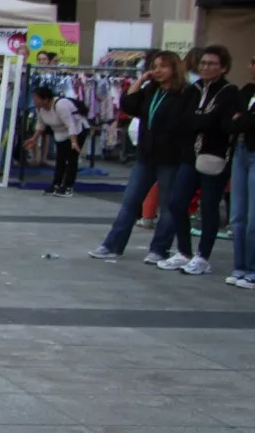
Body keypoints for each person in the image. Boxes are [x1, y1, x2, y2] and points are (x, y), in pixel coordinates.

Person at [90, 51, 195, 262]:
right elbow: (128, 103)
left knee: (166, 205)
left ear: (174, 68)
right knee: (130, 201)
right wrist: (140, 80)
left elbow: (185, 123)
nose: (157, 71)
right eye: (154, 66)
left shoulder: (186, 93)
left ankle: (159, 249)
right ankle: (112, 245)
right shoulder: (151, 90)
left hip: (171, 157)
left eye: (162, 66)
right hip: (146, 155)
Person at [158, 45, 238, 275]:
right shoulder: (193, 90)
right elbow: (183, 119)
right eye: (202, 63)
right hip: (189, 155)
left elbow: (221, 123)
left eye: (211, 63)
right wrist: (202, 119)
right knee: (177, 202)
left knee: (209, 206)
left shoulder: (229, 92)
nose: (205, 67)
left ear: (222, 67)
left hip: (215, 156)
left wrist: (201, 120)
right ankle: (184, 251)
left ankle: (203, 256)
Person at [25, 85, 86, 197]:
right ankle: (56, 184)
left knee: (71, 159)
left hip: (77, 130)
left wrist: (74, 142)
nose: (34, 100)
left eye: (36, 98)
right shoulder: (41, 109)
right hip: (60, 133)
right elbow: (40, 125)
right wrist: (34, 139)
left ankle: (68, 187)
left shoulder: (60, 105)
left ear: (46, 99)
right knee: (60, 159)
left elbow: (70, 124)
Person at [227, 55, 255, 289]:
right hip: (240, 150)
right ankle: (240, 266)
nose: (251, 66)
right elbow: (231, 121)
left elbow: (243, 121)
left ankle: (252, 268)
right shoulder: (246, 91)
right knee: (238, 215)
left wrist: (243, 119)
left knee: (253, 216)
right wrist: (242, 120)